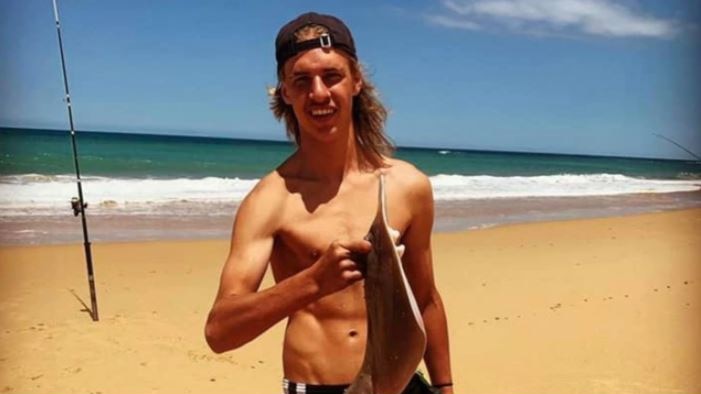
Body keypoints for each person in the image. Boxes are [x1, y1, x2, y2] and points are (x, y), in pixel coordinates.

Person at [205, 12, 453, 394]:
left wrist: (445, 387)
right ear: (285, 93)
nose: (318, 93)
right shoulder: (270, 200)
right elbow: (220, 331)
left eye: (331, 76)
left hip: (400, 385)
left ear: (356, 81)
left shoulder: (408, 186)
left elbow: (426, 300)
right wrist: (313, 281)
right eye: (301, 81)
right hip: (318, 386)